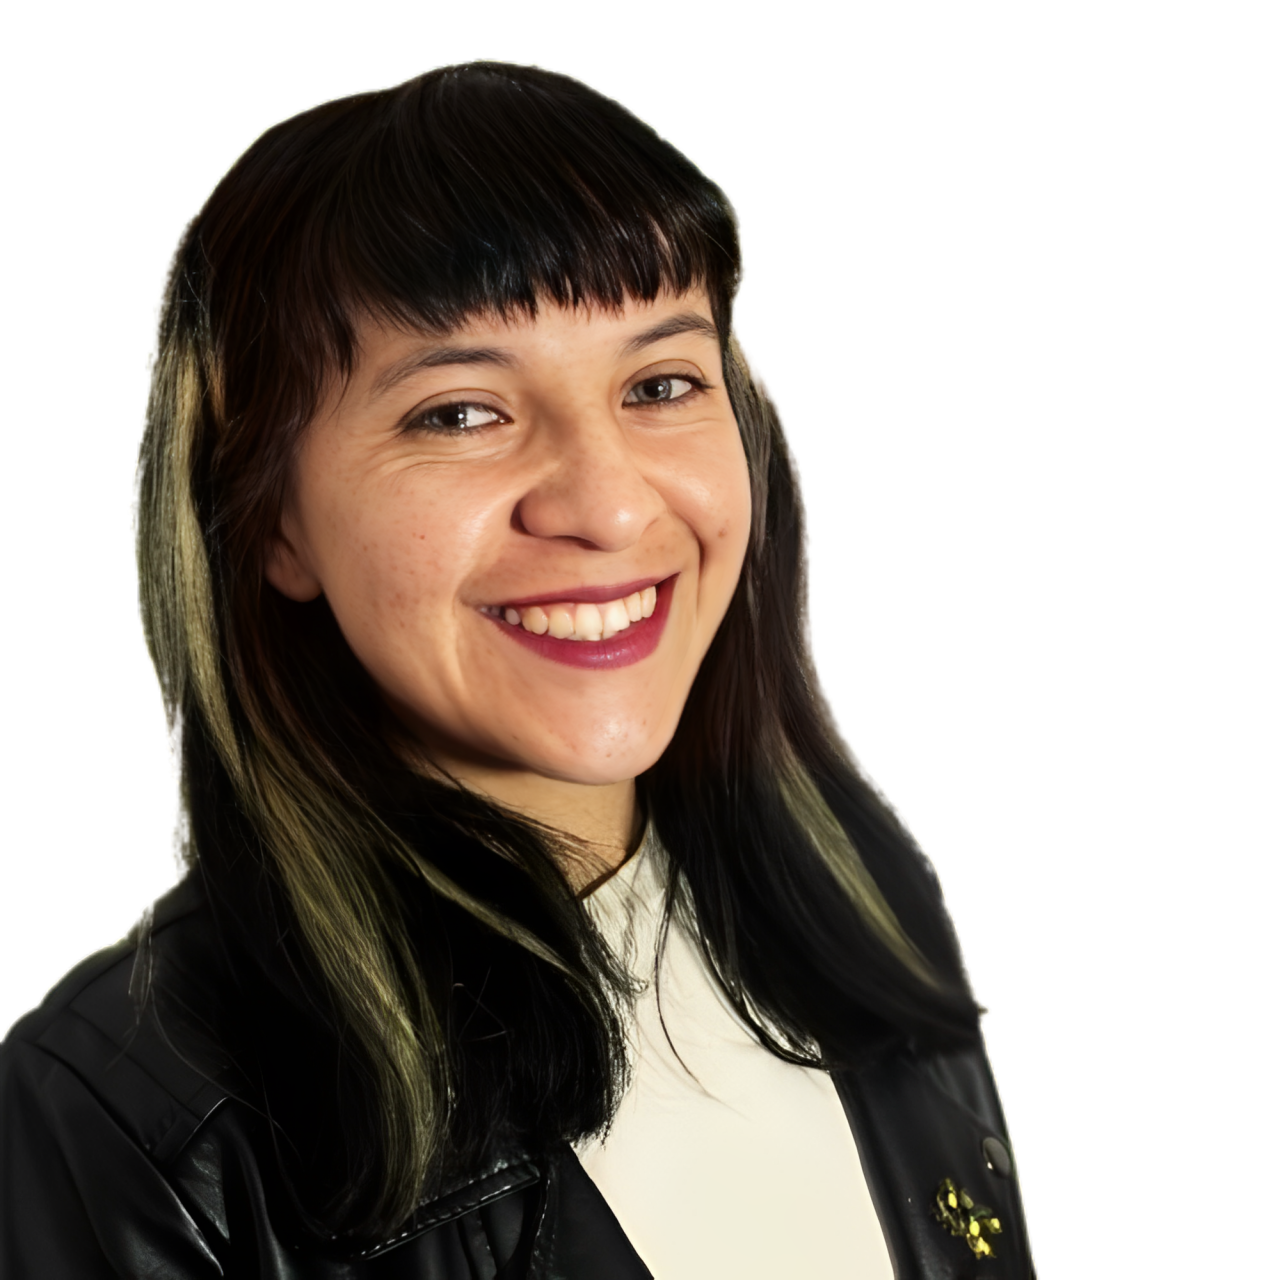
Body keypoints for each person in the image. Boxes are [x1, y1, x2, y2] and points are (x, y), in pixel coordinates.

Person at [0, 62, 1034, 1278]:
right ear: (271, 518)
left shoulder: (859, 893)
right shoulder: (129, 1125)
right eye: (458, 412)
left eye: (659, 383)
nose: (605, 503)